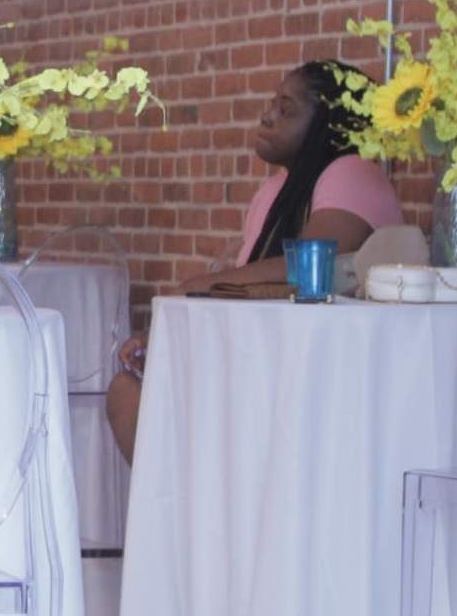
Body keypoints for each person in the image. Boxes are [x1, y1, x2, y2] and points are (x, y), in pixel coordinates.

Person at [106, 59, 397, 459]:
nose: (267, 116)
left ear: (328, 123)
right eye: (273, 103)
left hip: (321, 378)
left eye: (286, 108)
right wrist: (174, 331)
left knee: (136, 398)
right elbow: (243, 290)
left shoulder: (353, 172)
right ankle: (183, 516)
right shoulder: (278, 187)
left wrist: (198, 289)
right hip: (266, 361)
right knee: (127, 393)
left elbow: (306, 270)